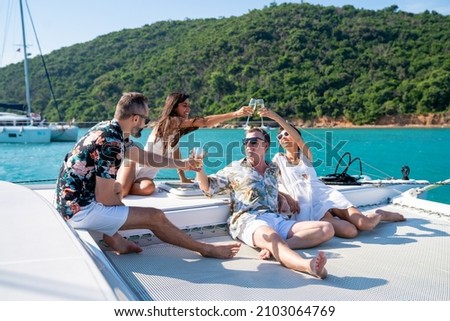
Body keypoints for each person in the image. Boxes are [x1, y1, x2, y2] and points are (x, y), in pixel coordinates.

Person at [55, 92, 241, 259]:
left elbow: (142, 156)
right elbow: (105, 197)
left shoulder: (107, 128)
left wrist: (183, 164)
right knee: (155, 217)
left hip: (69, 201)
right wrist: (129, 215)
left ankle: (115, 238)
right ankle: (207, 249)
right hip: (79, 210)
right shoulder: (110, 142)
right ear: (135, 118)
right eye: (145, 119)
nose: (147, 124)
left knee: (120, 193)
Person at [195, 127, 333, 279]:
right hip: (249, 220)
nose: (249, 145)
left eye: (253, 142)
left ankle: (276, 248)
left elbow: (279, 180)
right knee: (273, 237)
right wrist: (199, 170)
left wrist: (283, 196)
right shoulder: (235, 168)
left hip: (276, 219)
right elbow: (208, 187)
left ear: (266, 145)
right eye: (246, 142)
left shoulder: (273, 168)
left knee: (326, 228)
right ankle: (308, 266)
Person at [259, 108, 406, 238]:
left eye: (286, 133)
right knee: (350, 232)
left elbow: (298, 138)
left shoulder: (306, 157)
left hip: (325, 195)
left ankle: (380, 214)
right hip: (307, 207)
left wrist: (275, 117)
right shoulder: (278, 160)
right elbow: (270, 183)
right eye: (280, 136)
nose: (283, 137)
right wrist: (285, 196)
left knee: (364, 224)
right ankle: (335, 217)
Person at [118, 92, 254, 196]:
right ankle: (120, 186)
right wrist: (236, 114)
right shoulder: (169, 122)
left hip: (145, 176)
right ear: (174, 107)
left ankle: (124, 186)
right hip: (133, 165)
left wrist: (182, 177)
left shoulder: (174, 130)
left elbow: (176, 153)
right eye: (184, 105)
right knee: (123, 192)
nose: (188, 109)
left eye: (189, 105)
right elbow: (205, 122)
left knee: (149, 188)